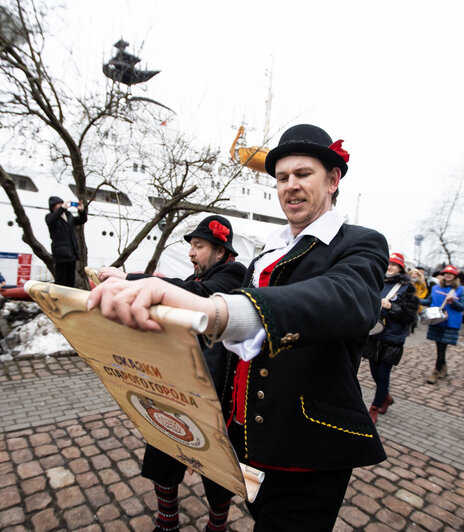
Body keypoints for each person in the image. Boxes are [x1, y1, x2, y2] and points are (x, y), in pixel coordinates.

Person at [88, 124, 388, 530]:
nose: (290, 186)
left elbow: (347, 299)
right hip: (243, 434)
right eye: (282, 178)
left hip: (305, 444)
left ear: (333, 180)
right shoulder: (270, 249)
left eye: (303, 175)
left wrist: (217, 312)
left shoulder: (359, 242)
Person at [98, 215, 246, 532]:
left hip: (217, 392)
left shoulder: (234, 274)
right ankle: (168, 521)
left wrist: (129, 278)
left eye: (199, 246)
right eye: (191, 246)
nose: (191, 253)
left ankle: (217, 526)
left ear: (220, 252)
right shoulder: (202, 275)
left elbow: (195, 293)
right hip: (180, 384)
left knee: (218, 468)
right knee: (164, 448)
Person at [361, 253, 418, 423]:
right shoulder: (378, 282)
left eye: (394, 265)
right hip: (374, 333)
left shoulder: (407, 288)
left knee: (383, 373)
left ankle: (374, 408)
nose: (390, 267)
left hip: (393, 336)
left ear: (401, 267)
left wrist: (392, 306)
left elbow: (410, 316)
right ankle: (386, 397)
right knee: (374, 372)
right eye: (388, 264)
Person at [421, 265, 464, 384]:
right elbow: (429, 301)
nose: (448, 275)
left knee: (442, 347)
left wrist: (453, 301)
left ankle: (435, 372)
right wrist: (416, 300)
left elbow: (463, 307)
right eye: (446, 273)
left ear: (455, 276)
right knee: (439, 347)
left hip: (450, 322)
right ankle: (444, 369)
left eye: (451, 274)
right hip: (436, 320)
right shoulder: (436, 288)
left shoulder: (460, 290)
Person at [45, 196, 87, 287]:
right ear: (53, 207)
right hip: (61, 253)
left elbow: (82, 220)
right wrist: (61, 209)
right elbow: (50, 221)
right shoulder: (50, 217)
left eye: (62, 203)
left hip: (72, 253)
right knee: (60, 279)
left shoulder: (69, 216)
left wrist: (81, 210)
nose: (61, 205)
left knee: (70, 280)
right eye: (58, 204)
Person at [408, 267, 428, 334]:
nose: (414, 275)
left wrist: (420, 297)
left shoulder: (421, 282)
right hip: (408, 299)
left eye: (415, 273)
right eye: (412, 273)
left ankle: (413, 327)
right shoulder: (408, 281)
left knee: (415, 314)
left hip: (416, 299)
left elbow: (425, 291)